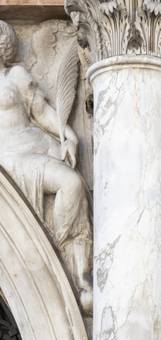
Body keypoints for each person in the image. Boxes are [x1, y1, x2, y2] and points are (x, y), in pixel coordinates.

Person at [0, 20, 92, 312]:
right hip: (5, 162)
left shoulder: (15, 76)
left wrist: (69, 135)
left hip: (29, 152)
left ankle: (71, 267)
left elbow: (40, 112)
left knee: (73, 184)